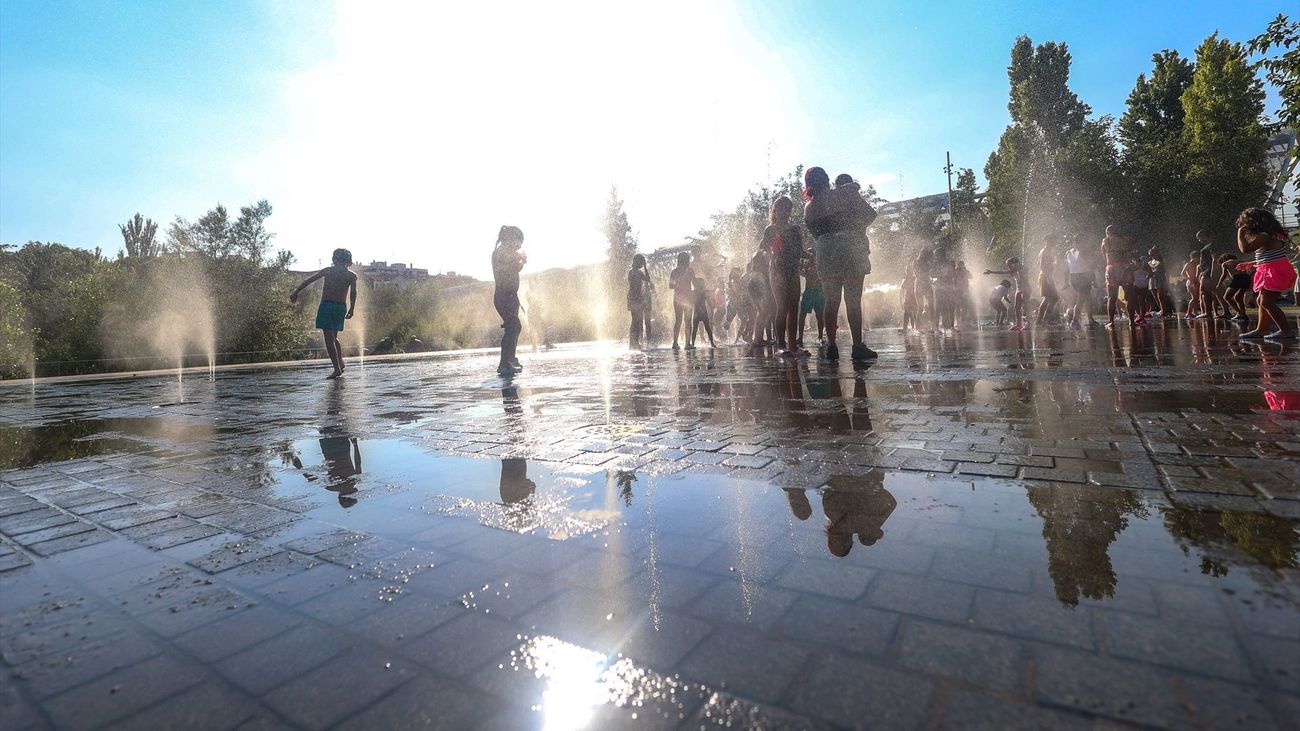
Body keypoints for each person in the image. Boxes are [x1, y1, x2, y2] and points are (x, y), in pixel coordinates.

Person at [804, 167, 878, 362]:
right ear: (827, 179)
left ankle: (831, 346)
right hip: (850, 248)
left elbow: (817, 233)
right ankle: (857, 346)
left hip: (825, 251)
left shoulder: (808, 208)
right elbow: (871, 214)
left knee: (831, 300)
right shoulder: (844, 193)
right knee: (853, 299)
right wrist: (854, 224)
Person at [290, 248, 358, 379]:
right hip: (340, 307)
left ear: (334, 259)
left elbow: (309, 281)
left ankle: (337, 368)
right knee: (334, 337)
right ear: (348, 261)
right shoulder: (351, 275)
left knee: (329, 339)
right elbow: (354, 293)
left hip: (327, 306)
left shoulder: (328, 271)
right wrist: (352, 309)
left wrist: (295, 292)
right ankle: (341, 362)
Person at [1235, 207, 1297, 340]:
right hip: (1271, 269)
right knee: (1261, 300)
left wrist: (1240, 234)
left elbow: (1245, 249)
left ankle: (1286, 330)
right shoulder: (1270, 234)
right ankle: (1261, 329)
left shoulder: (1264, 236)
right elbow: (1269, 256)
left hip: (1274, 271)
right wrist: (1251, 264)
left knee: (1266, 302)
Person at [765, 196, 807, 358]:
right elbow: (764, 250)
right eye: (782, 208)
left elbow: (800, 250)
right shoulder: (770, 229)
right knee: (782, 306)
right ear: (775, 210)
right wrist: (774, 251)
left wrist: (810, 256)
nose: (785, 212)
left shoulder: (795, 229)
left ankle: (793, 345)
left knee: (794, 307)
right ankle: (781, 346)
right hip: (777, 271)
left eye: (788, 208)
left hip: (793, 271)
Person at [491, 225, 526, 376]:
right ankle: (505, 363)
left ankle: (509, 359)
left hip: (511, 296)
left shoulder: (507, 252)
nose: (519, 246)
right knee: (513, 326)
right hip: (503, 296)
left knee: (514, 327)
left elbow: (512, 269)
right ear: (510, 239)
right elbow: (504, 270)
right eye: (518, 242)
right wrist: (517, 262)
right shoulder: (500, 252)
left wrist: (520, 264)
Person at [1100, 225, 1131, 329]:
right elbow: (1128, 254)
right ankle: (1132, 321)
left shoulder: (1105, 241)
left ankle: (1111, 322)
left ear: (1107, 233)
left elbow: (1104, 255)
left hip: (1111, 268)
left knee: (1111, 297)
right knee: (1129, 297)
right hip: (1124, 267)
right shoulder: (1125, 240)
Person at [984, 257, 1026, 330]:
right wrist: (991, 272)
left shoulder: (1021, 269)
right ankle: (1019, 324)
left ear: (1015, 264)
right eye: (1008, 265)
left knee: (1025, 306)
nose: (1008, 267)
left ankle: (1027, 323)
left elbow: (1021, 273)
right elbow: (1002, 272)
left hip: (1025, 289)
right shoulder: (1014, 271)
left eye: (1009, 265)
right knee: (1016, 307)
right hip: (1019, 289)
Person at [1064, 239, 1095, 327]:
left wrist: (1066, 281)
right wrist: (1093, 278)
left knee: (1088, 298)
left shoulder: (1068, 252)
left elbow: (1067, 269)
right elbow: (1090, 266)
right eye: (1083, 241)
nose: (1085, 243)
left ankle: (1090, 319)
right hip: (1082, 276)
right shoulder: (1083, 252)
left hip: (1074, 277)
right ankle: (1075, 320)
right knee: (1081, 298)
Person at [1196, 230, 1226, 319]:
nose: (1199, 240)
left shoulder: (1212, 245)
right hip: (1207, 271)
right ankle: (1213, 312)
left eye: (1200, 238)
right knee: (1214, 292)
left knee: (1206, 291)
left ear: (1205, 235)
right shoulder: (1209, 246)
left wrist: (1213, 272)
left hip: (1210, 271)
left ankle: (1208, 313)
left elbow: (1215, 259)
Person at [668, 252, 695, 350]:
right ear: (687, 260)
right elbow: (695, 283)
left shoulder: (674, 272)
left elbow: (670, 286)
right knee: (688, 321)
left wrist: (678, 285)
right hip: (688, 299)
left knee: (678, 320)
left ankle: (675, 343)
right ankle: (687, 344)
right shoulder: (690, 271)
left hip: (677, 299)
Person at [799, 253, 826, 346]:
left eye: (812, 255)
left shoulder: (819, 266)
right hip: (809, 292)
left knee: (819, 315)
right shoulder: (807, 267)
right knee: (802, 314)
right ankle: (800, 337)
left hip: (818, 292)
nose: (810, 257)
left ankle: (820, 336)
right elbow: (801, 272)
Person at [626, 254, 653, 348]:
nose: (642, 264)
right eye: (641, 262)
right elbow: (633, 286)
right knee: (635, 321)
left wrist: (645, 267)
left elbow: (648, 279)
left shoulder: (638, 272)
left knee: (637, 321)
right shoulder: (632, 272)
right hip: (634, 299)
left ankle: (635, 342)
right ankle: (632, 343)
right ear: (637, 262)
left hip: (637, 299)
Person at [1217, 253, 1251, 322]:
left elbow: (1224, 275)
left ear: (1224, 259)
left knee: (1226, 297)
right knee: (1238, 297)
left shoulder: (1225, 263)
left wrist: (1219, 283)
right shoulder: (1240, 261)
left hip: (1237, 278)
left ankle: (1240, 313)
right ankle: (1243, 315)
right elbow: (1249, 270)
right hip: (1246, 278)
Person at [1037, 234, 1061, 326]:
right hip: (1046, 276)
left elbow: (1039, 263)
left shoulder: (1046, 251)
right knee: (1053, 298)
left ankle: (1042, 320)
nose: (1054, 242)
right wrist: (1048, 278)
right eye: (1052, 240)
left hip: (1046, 276)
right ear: (1047, 240)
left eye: (1054, 240)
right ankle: (1044, 320)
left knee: (1051, 298)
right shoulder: (1045, 251)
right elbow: (1042, 266)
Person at [688, 276, 716, 349]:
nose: (702, 285)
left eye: (702, 284)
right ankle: (710, 343)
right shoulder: (698, 292)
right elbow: (708, 300)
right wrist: (711, 305)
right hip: (700, 312)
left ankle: (710, 343)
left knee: (703, 328)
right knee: (701, 328)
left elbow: (708, 300)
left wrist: (711, 305)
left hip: (698, 312)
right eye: (701, 284)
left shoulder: (699, 292)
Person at [1147, 248, 1169, 318]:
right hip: (1152, 279)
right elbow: (1148, 271)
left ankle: (1164, 310)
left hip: (1160, 279)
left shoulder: (1162, 261)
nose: (1152, 256)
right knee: (1155, 297)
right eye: (1150, 255)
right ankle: (1162, 310)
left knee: (1160, 296)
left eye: (1153, 254)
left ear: (1157, 253)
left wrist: (1167, 281)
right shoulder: (1150, 262)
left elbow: (1167, 271)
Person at [1180, 249, 1202, 319]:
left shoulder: (1197, 264)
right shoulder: (1188, 264)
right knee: (1194, 298)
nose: (1198, 259)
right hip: (1191, 282)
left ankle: (1194, 312)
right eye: (1197, 257)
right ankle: (1189, 312)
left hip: (1196, 281)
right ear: (1192, 257)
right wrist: (1189, 278)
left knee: (1196, 298)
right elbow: (1182, 273)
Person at [953, 260, 973, 329]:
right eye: (959, 265)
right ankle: (958, 322)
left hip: (964, 290)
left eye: (962, 264)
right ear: (957, 265)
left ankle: (962, 321)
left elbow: (971, 277)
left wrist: (965, 271)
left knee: (964, 307)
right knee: (958, 307)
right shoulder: (955, 271)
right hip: (957, 291)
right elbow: (953, 280)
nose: (960, 266)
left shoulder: (965, 271)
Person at [900, 263, 919, 332]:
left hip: (913, 298)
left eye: (909, 270)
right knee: (907, 314)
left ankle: (915, 328)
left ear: (912, 271)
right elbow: (902, 291)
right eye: (907, 270)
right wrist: (902, 301)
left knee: (914, 314)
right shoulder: (906, 279)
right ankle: (905, 328)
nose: (908, 272)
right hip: (908, 299)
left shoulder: (914, 279)